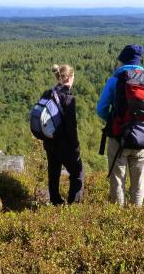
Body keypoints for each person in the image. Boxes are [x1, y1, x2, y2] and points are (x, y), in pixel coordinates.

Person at [96, 44, 144, 207]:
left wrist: (114, 120)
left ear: (122, 61)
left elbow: (101, 108)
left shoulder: (115, 80)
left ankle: (117, 220)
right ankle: (135, 218)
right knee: (138, 182)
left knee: (118, 180)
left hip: (119, 138)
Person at [42, 64, 84, 205]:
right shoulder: (68, 98)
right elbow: (71, 127)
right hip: (64, 144)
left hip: (49, 141)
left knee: (53, 173)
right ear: (70, 77)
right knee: (78, 172)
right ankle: (73, 204)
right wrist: (76, 147)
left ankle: (56, 201)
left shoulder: (47, 93)